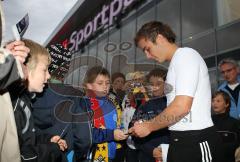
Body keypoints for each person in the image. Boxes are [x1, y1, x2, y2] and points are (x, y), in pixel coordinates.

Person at [129, 21, 224, 162]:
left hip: (196, 141)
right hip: (181, 141)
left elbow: (181, 107)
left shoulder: (185, 55)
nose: (148, 56)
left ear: (160, 38)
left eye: (147, 48)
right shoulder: (176, 62)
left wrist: (148, 126)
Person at [8, 39, 68, 162]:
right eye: (45, 69)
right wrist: (54, 148)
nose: (49, 76)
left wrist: (47, 139)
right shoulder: (14, 105)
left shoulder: (24, 99)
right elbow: (24, 157)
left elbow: (27, 137)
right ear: (27, 68)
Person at [73, 66, 127, 162]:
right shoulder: (84, 104)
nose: (105, 86)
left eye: (107, 83)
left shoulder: (112, 103)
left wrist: (123, 132)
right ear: (89, 86)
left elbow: (117, 124)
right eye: (100, 83)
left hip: (110, 154)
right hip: (91, 156)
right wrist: (112, 134)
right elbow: (86, 134)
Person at [128, 68, 169, 162]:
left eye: (158, 84)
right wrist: (151, 150)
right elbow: (133, 132)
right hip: (147, 156)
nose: (155, 87)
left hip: (171, 154)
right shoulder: (144, 106)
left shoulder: (174, 105)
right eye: (151, 84)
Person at [212, 91, 240, 162]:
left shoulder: (235, 123)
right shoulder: (208, 122)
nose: (214, 103)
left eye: (218, 101)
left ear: (226, 104)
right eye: (213, 101)